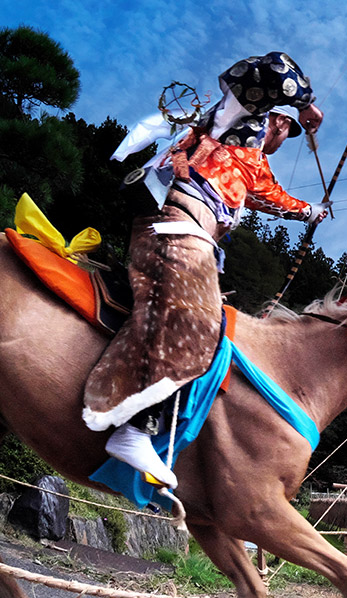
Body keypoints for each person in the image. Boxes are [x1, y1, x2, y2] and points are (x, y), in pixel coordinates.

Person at [82, 52, 328, 492]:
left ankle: (152, 424)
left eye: (289, 132)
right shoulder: (235, 119)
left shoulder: (250, 159)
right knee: (193, 320)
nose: (284, 133)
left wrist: (310, 211)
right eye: (283, 124)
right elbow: (269, 67)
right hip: (176, 220)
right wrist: (305, 102)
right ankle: (134, 427)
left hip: (193, 231)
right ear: (272, 114)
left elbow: (270, 195)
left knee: (210, 327)